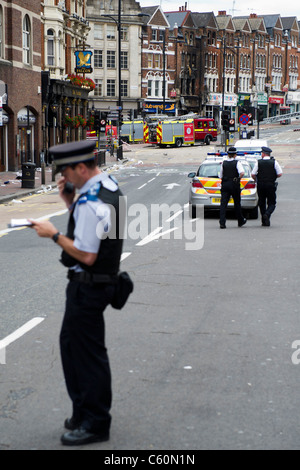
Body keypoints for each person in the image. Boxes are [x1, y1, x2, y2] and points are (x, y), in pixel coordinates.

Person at [30, 140, 124, 446]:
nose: (63, 177)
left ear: (81, 168)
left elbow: (85, 255)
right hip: (101, 283)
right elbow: (99, 232)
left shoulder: (91, 202)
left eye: (66, 171)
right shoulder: (109, 188)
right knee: (78, 350)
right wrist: (69, 202)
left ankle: (95, 422)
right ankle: (84, 412)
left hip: (88, 285)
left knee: (84, 356)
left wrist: (53, 233)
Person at [251, 146, 282, 226]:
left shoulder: (258, 162)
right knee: (272, 203)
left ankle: (264, 220)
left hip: (261, 184)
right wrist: (272, 176)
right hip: (270, 184)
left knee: (262, 202)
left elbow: (253, 174)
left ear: (264, 154)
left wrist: (257, 179)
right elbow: (279, 173)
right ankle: (267, 215)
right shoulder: (274, 162)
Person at [219, 147, 247, 229]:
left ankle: (222, 223)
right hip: (234, 184)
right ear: (235, 154)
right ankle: (240, 220)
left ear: (228, 154)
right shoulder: (237, 163)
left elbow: (220, 175)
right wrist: (238, 178)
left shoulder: (223, 163)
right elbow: (242, 173)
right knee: (237, 203)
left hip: (225, 184)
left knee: (223, 204)